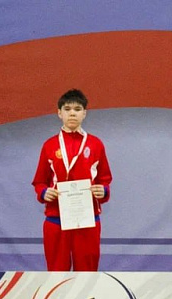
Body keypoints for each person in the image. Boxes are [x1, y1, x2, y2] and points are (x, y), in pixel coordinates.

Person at [31, 89, 112, 272]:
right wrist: (44, 192)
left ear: (85, 113)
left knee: (87, 273)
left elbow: (105, 179)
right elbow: (39, 181)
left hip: (87, 219)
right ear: (59, 113)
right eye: (67, 109)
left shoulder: (95, 144)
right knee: (56, 274)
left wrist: (104, 190)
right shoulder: (50, 145)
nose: (72, 113)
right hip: (56, 219)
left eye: (77, 109)